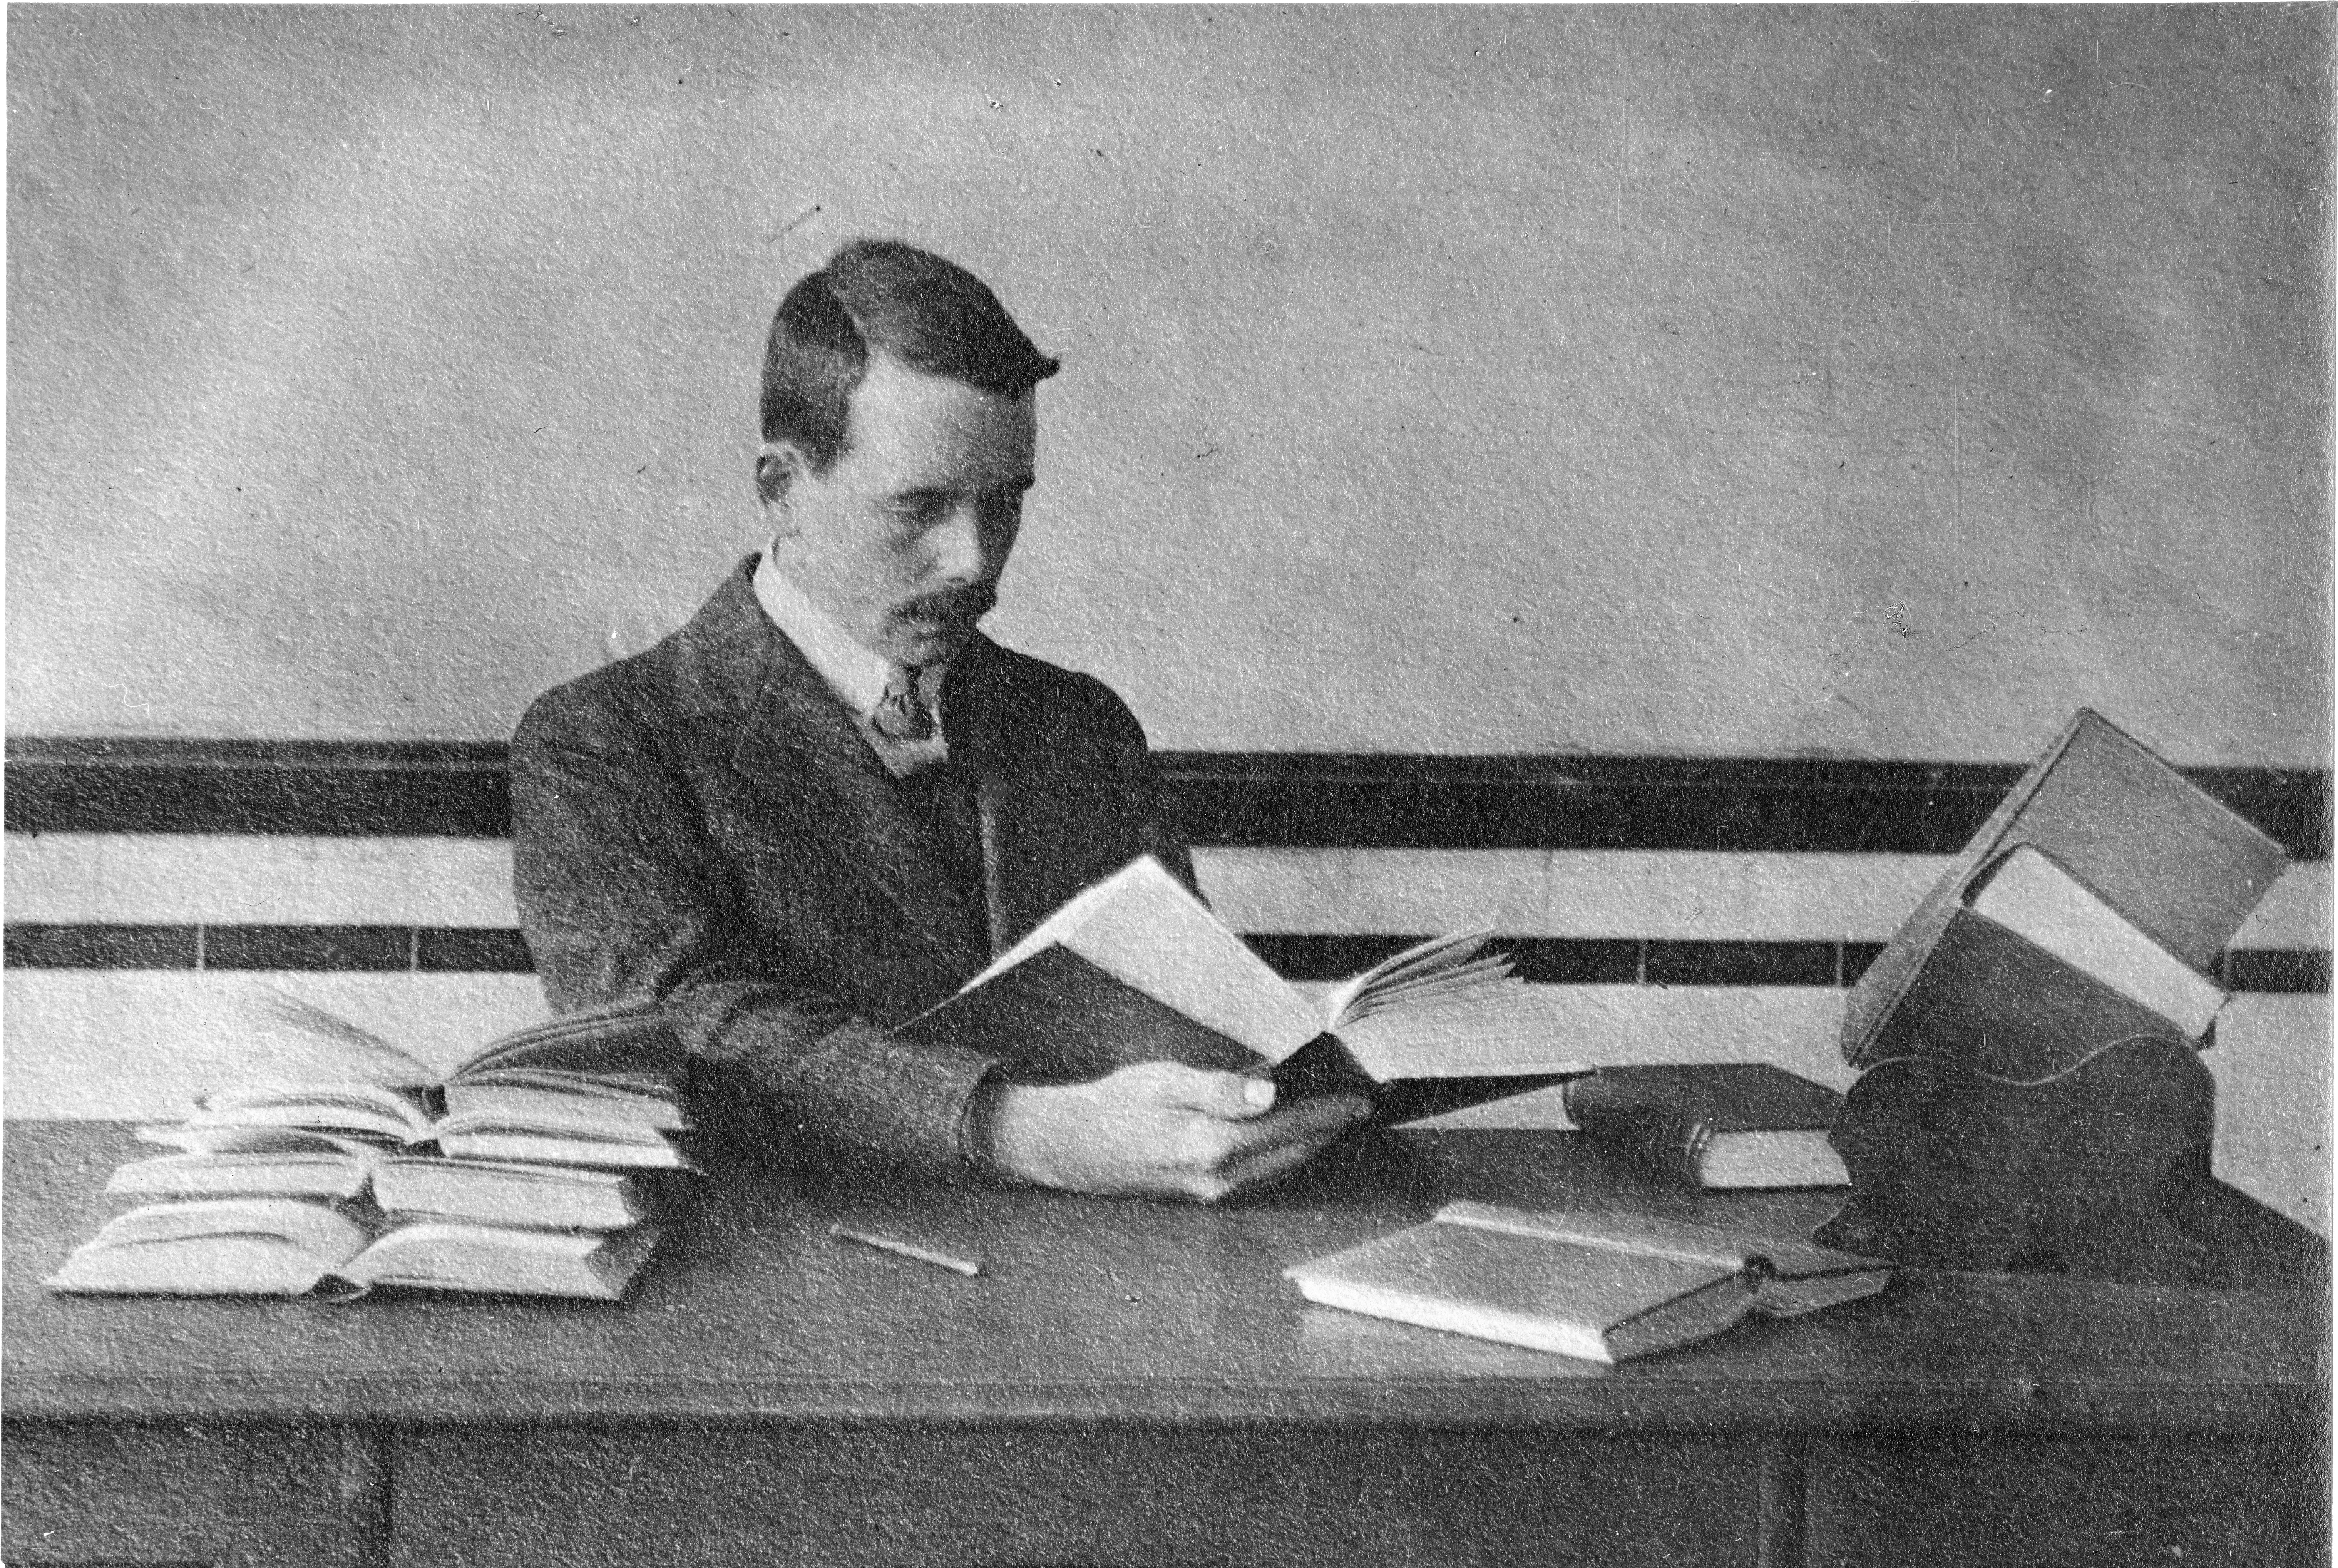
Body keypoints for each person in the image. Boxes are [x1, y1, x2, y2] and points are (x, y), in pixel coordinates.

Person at [511, 239, 1368, 1200]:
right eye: (920, 507)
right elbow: (676, 1033)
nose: (973, 559)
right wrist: (1018, 1131)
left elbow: (1188, 1009)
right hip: (773, 1296)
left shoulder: (1080, 726)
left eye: (1003, 505)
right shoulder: (604, 742)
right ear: (783, 490)